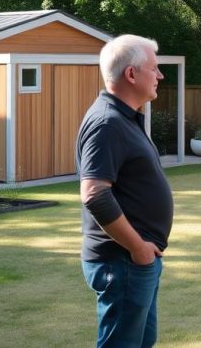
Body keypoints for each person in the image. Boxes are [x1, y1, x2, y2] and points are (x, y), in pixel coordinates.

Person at [77, 34, 173, 348]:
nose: (160, 76)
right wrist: (138, 248)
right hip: (123, 262)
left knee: (142, 341)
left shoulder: (125, 118)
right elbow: (95, 194)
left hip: (134, 261)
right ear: (131, 74)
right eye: (154, 69)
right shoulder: (108, 122)